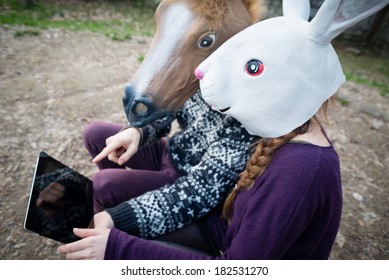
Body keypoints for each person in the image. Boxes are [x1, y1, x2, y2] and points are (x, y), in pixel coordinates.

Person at [57, 0, 387, 259]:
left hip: (215, 236)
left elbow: (236, 264)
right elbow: (175, 109)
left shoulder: (297, 169)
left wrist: (119, 245)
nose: (202, 75)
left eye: (253, 68)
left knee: (107, 187)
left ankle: (104, 225)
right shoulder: (276, 124)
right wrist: (141, 132)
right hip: (209, 208)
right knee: (99, 140)